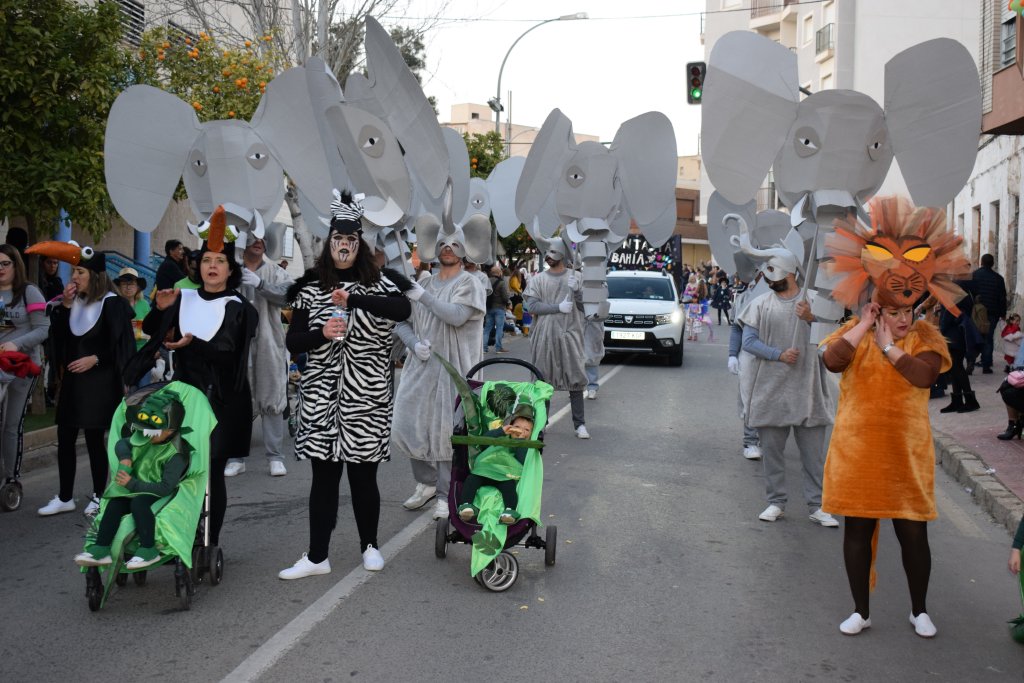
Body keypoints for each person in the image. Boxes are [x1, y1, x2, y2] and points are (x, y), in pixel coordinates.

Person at [818, 196, 969, 637]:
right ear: (880, 306)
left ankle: (919, 609)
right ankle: (860, 611)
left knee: (914, 538)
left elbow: (923, 377)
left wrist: (889, 345)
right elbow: (830, 360)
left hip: (906, 457)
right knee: (857, 535)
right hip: (857, 455)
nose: (903, 320)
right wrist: (865, 325)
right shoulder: (857, 331)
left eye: (908, 312)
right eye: (895, 313)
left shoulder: (926, 337)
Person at [278, 192, 411, 579]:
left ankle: (370, 545)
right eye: (338, 237)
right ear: (329, 242)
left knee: (363, 476)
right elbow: (293, 341)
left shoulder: (382, 284)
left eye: (351, 238)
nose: (344, 244)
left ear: (360, 244)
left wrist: (355, 300)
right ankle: (317, 556)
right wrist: (321, 332)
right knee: (323, 478)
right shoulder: (308, 288)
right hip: (321, 397)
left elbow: (402, 310)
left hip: (367, 397)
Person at [130, 206, 257, 549]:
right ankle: (176, 535)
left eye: (219, 261)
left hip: (220, 401)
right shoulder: (181, 296)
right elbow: (155, 333)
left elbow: (229, 354)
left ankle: (207, 541)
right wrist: (160, 310)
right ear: (197, 267)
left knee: (210, 474)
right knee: (177, 470)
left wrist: (192, 345)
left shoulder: (242, 308)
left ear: (230, 270)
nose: (211, 266)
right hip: (181, 398)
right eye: (205, 260)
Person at [736, 239, 836, 526]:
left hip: (808, 391)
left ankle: (817, 506)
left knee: (814, 458)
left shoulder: (812, 301)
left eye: (771, 270)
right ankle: (775, 502)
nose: (767, 278)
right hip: (771, 390)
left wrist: (811, 319)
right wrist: (778, 354)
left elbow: (832, 338)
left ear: (789, 271)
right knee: (773, 455)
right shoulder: (759, 304)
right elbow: (749, 342)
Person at [34, 245, 134, 517]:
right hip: (74, 384)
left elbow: (122, 348)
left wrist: (95, 359)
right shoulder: (72, 302)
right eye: (73, 272)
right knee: (65, 436)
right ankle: (65, 496)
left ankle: (100, 495)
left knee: (93, 439)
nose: (74, 277)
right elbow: (61, 343)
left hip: (100, 383)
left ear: (95, 275)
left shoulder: (112, 303)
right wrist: (65, 307)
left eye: (80, 272)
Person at [392, 232, 485, 519]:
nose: (447, 249)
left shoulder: (471, 282)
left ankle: (446, 495)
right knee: (408, 425)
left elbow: (456, 315)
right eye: (443, 244)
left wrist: (424, 297)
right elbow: (402, 323)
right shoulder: (423, 282)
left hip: (455, 369)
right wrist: (413, 344)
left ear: (464, 250)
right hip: (420, 368)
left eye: (455, 244)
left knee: (448, 433)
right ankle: (426, 483)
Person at [74, 389, 191, 569]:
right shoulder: (144, 436)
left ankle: (148, 549)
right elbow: (122, 443)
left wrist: (132, 483)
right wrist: (125, 457)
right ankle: (102, 548)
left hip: (158, 492)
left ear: (171, 430)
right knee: (115, 504)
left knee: (139, 504)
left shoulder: (176, 453)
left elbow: (166, 487)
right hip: (134, 489)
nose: (147, 432)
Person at [224, 235, 293, 478]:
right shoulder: (231, 268)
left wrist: (261, 285)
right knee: (238, 399)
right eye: (252, 236)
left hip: (269, 341)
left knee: (272, 396)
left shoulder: (275, 271)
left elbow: (290, 296)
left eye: (263, 237)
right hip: (237, 344)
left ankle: (275, 457)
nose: (258, 241)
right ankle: (236, 457)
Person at [523, 239, 590, 439]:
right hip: (544, 337)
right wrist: (557, 307)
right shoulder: (538, 280)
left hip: (571, 336)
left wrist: (578, 292)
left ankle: (580, 425)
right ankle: (540, 424)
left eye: (552, 252)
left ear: (562, 254)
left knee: (575, 380)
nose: (548, 256)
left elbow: (586, 309)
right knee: (543, 382)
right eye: (547, 252)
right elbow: (532, 307)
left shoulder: (577, 277)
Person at [0, 246, 49, 495]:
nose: (0, 269)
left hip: (21, 366)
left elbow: (42, 329)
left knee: (11, 424)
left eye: (5, 263)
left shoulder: (30, 292)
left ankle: (11, 478)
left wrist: (16, 343)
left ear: (15, 264)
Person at [457, 403, 535, 524]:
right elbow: (483, 442)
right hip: (485, 469)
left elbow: (522, 461)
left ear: (531, 435)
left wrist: (520, 442)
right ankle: (466, 505)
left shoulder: (525, 446)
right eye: (517, 426)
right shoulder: (502, 437)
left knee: (509, 487)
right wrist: (501, 431)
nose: (521, 431)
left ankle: (509, 511)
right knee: (471, 480)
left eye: (527, 430)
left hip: (504, 474)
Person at [970, 253, 1007, 374]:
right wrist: (1003, 313)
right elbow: (1002, 298)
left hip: (977, 312)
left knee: (974, 336)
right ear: (993, 264)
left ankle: (970, 363)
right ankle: (986, 364)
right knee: (988, 338)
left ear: (981, 262)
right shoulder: (998, 278)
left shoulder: (974, 275)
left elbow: (970, 294)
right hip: (992, 313)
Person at [114, 267, 150, 352]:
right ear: (119, 287)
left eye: (132, 283)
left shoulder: (144, 304)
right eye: (124, 284)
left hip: (142, 351)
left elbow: (151, 328)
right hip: (122, 352)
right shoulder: (114, 305)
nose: (128, 287)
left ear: (137, 287)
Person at [482, 263, 511, 354]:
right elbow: (505, 297)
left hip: (488, 307)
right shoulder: (501, 283)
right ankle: (498, 348)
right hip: (499, 308)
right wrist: (508, 303)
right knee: (499, 328)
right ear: (499, 273)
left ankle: (484, 348)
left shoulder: (486, 281)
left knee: (487, 328)